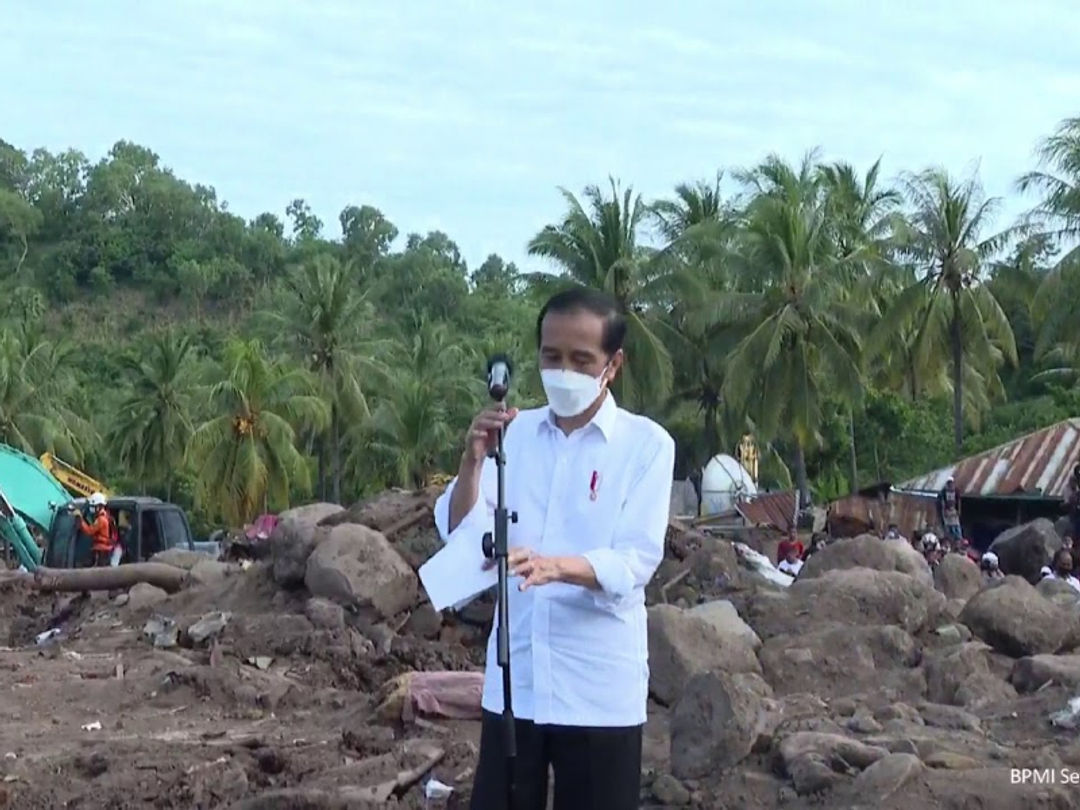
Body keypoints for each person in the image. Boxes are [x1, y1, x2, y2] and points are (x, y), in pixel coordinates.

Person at [433, 286, 675, 810]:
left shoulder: (647, 446)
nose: (563, 370)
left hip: (595, 687)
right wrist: (471, 463)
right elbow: (461, 531)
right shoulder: (513, 437)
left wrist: (557, 568)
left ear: (613, 364)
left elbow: (636, 559)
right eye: (551, 356)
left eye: (580, 359)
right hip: (515, 677)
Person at [70, 492, 114, 567]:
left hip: (101, 552)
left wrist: (80, 519)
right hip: (102, 550)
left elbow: (89, 531)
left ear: (99, 506)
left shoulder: (101, 520)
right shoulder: (104, 517)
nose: (92, 509)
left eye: (93, 506)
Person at [938, 477, 962, 544]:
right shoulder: (944, 491)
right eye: (949, 482)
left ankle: (959, 540)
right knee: (948, 526)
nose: (950, 484)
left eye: (951, 482)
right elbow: (942, 502)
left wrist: (959, 510)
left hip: (954, 509)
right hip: (947, 510)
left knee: (956, 526)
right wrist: (943, 511)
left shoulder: (956, 490)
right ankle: (950, 540)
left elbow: (958, 500)